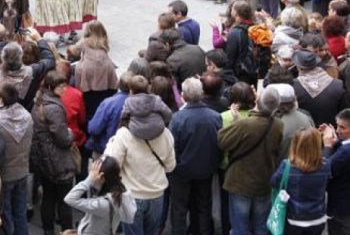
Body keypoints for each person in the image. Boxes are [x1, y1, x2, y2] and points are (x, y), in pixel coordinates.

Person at [105, 78, 176, 235]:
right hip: (157, 195)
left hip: (132, 195)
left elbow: (113, 164)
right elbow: (171, 166)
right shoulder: (165, 133)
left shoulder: (124, 134)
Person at [217, 87, 283, 235]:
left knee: (240, 227)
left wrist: (236, 122)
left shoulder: (246, 124)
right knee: (261, 226)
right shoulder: (278, 125)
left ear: (258, 101)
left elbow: (222, 142)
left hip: (240, 182)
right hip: (264, 181)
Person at [168, 77, 222, 235]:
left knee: (179, 207)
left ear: (183, 96)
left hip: (182, 170)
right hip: (206, 169)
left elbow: (173, 146)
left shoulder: (177, 119)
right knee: (204, 205)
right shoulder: (215, 117)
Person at [30, 71, 76, 234]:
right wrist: (71, 133)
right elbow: (63, 138)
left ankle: (48, 230)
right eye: (61, 86)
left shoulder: (39, 101)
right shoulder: (54, 108)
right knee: (64, 200)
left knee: (48, 196)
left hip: (44, 158)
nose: (64, 89)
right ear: (51, 87)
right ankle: (67, 230)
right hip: (58, 160)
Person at [270, 128, 331, 235]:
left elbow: (273, 182)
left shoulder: (287, 166)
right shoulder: (326, 165)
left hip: (293, 218)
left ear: (296, 145)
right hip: (317, 218)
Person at [0, 83, 33, 235]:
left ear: (1, 99)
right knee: (20, 211)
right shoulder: (27, 116)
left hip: (5, 174)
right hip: (22, 170)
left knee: (5, 212)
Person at [64, 156, 137, 235]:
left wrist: (88, 180)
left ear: (101, 177)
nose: (90, 174)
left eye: (93, 172)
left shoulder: (102, 204)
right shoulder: (118, 191)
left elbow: (69, 199)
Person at [292, 49, 346, 126]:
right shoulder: (339, 85)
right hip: (333, 133)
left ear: (299, 67)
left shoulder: (292, 87)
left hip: (305, 135)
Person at [320, 108, 350, 235]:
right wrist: (336, 141)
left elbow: (324, 171)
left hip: (341, 209)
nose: (338, 131)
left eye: (342, 127)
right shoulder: (344, 147)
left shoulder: (345, 153)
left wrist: (327, 146)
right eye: (337, 126)